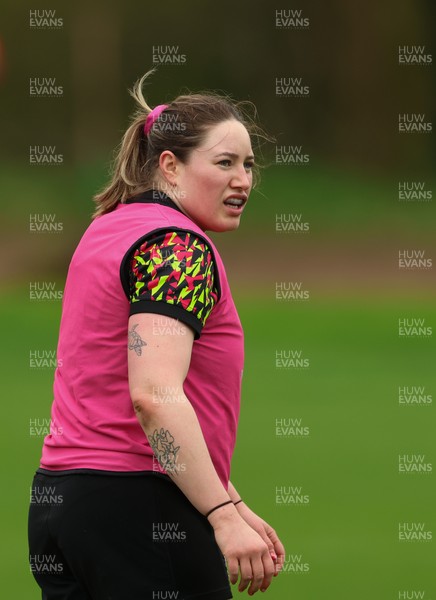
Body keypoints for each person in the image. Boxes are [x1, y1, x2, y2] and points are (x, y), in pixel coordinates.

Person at [28, 71, 285, 600]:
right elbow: (154, 397)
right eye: (225, 163)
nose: (243, 180)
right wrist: (220, 517)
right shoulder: (176, 248)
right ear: (169, 165)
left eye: (248, 165)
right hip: (139, 509)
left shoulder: (109, 227)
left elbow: (120, 398)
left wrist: (231, 501)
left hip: (61, 503)